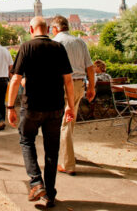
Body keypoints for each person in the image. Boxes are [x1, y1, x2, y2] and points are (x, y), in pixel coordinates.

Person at [7, 17, 75, 209]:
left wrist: (9, 107)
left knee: (27, 140)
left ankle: (36, 183)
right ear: (47, 29)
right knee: (52, 151)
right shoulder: (58, 48)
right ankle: (50, 194)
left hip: (32, 107)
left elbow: (15, 80)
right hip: (55, 108)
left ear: (31, 29)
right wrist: (70, 105)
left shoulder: (26, 47)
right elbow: (68, 80)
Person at [51, 15, 95, 176]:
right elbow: (90, 67)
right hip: (79, 85)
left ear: (55, 28)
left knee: (63, 124)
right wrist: (92, 87)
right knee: (70, 122)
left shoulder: (55, 43)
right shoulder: (80, 41)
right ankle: (68, 154)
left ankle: (67, 164)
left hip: (61, 86)